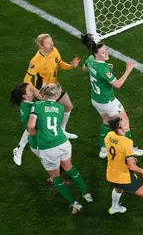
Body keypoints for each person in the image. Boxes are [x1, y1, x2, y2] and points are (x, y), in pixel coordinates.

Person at [14, 33, 80, 165]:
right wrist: (37, 91)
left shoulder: (54, 51)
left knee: (68, 106)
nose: (52, 44)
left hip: (54, 87)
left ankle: (62, 131)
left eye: (52, 41)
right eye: (49, 43)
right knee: (35, 123)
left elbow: (59, 63)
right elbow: (27, 80)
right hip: (43, 92)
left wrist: (71, 66)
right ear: (41, 46)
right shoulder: (35, 61)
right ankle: (19, 148)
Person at [27, 83, 92, 214]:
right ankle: (86, 194)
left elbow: (31, 125)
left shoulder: (37, 105)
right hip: (63, 143)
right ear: (57, 95)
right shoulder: (60, 108)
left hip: (48, 147)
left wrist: (34, 134)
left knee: (55, 177)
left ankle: (75, 203)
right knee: (69, 167)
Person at [81, 33, 143, 158]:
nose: (107, 53)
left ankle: (103, 149)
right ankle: (130, 150)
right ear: (96, 54)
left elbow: (84, 69)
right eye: (103, 52)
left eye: (106, 51)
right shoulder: (103, 69)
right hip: (107, 101)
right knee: (125, 122)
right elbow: (117, 84)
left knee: (106, 121)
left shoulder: (90, 60)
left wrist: (101, 71)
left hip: (96, 99)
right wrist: (128, 70)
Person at [105, 117, 143, 233]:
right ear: (119, 129)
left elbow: (118, 152)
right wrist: (142, 170)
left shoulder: (109, 135)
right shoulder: (126, 142)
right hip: (124, 176)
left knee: (118, 188)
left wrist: (128, 157)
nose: (127, 123)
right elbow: (131, 166)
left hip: (111, 174)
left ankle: (115, 207)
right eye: (124, 123)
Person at [10, 83, 71, 185]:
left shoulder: (26, 104)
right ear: (25, 96)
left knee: (59, 159)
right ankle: (55, 180)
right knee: (57, 159)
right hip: (40, 143)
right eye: (30, 90)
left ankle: (55, 178)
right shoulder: (31, 108)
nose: (33, 90)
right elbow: (31, 129)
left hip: (40, 141)